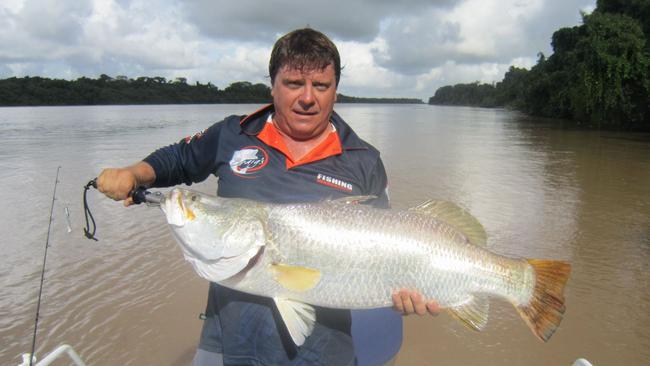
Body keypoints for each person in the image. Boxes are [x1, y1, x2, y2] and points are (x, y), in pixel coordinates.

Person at [97, 28, 439, 366]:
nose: (308, 97)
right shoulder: (233, 134)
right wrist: (134, 173)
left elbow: (387, 247)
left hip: (323, 351)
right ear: (272, 85)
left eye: (321, 86)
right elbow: (179, 159)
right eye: (293, 84)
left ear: (336, 91)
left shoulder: (364, 160)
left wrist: (404, 292)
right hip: (227, 338)